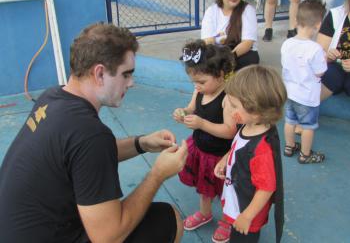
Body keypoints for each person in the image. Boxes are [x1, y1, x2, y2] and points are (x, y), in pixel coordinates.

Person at [0, 23, 188, 243]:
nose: (131, 83)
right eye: (126, 74)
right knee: (168, 219)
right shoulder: (90, 134)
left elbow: (79, 155)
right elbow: (108, 238)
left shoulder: (52, 98)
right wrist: (158, 175)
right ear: (99, 73)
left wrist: (142, 143)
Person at [173, 40, 236, 243]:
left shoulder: (227, 98)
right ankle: (205, 212)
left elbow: (230, 131)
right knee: (204, 187)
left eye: (201, 82)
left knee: (226, 192)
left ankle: (228, 222)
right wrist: (183, 112)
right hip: (201, 150)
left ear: (219, 76)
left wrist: (201, 124)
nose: (197, 86)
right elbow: (192, 107)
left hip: (221, 156)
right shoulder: (199, 90)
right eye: (194, 82)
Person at [214, 65, 286, 243]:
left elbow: (267, 188)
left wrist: (247, 216)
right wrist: (225, 159)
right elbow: (238, 145)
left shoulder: (261, 150)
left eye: (234, 106)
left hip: (247, 211)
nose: (230, 110)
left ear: (256, 111)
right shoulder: (249, 125)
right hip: (238, 199)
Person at [281, 0, 327, 164]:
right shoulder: (315, 49)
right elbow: (320, 72)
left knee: (290, 121)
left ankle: (289, 146)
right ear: (318, 24)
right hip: (308, 96)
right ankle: (305, 155)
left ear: (296, 20)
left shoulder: (287, 44)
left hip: (290, 93)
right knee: (308, 126)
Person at [201, 0, 259, 71]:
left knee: (250, 59)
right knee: (197, 58)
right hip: (217, 51)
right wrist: (214, 57)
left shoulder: (248, 10)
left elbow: (247, 43)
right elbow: (207, 40)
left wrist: (228, 58)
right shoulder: (212, 11)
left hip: (237, 53)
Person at [317, 0, 350, 100]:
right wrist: (328, 55)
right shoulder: (335, 14)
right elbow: (319, 51)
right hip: (335, 65)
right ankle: (304, 112)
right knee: (330, 75)